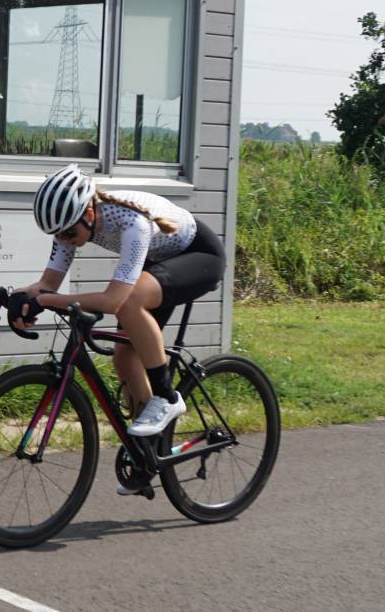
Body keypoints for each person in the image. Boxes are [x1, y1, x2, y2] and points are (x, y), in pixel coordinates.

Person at [11, 164, 226, 491]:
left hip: (199, 256)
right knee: (124, 358)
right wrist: (18, 298)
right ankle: (148, 453)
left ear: (88, 212)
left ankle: (167, 397)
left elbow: (112, 301)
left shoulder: (130, 222)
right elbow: (47, 284)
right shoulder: (72, 224)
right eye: (56, 235)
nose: (63, 240)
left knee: (130, 301)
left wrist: (50, 301)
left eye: (68, 233)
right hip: (161, 262)